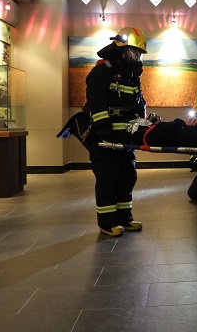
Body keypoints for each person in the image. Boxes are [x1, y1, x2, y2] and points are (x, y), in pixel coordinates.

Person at [63, 27, 148, 237]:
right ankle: (107, 222)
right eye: (134, 53)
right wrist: (104, 132)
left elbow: (139, 103)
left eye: (139, 54)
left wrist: (143, 124)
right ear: (121, 49)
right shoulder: (102, 71)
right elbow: (97, 102)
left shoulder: (131, 76)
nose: (136, 58)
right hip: (104, 139)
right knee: (108, 180)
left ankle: (125, 218)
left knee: (127, 177)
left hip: (125, 139)